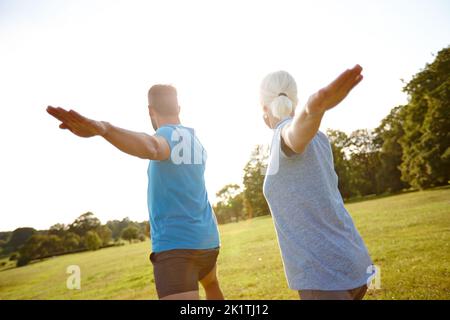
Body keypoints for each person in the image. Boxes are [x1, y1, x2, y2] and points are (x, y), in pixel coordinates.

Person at [46, 84, 223, 300]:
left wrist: (105, 129)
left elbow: (153, 147)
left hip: (177, 246)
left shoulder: (167, 134)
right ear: (178, 107)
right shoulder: (195, 141)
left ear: (150, 110)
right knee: (212, 284)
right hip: (208, 241)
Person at [260, 65, 375, 300]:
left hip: (324, 275)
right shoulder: (320, 138)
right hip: (353, 261)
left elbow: (294, 136)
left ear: (264, 108)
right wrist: (312, 112)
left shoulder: (284, 133)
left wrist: (314, 109)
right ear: (295, 99)